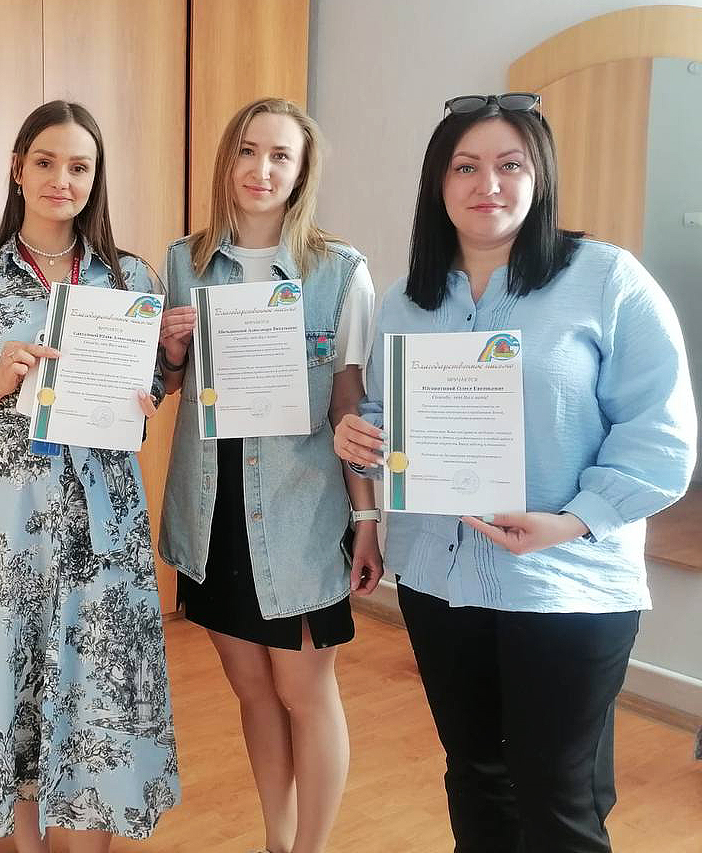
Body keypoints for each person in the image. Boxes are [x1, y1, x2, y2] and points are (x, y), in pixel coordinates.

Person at [334, 92, 697, 853]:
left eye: (510, 165)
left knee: (557, 797)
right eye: (465, 167)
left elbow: (660, 434)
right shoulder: (406, 300)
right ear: (439, 183)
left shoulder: (606, 279)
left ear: (540, 177)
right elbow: (386, 414)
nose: (487, 185)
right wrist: (360, 433)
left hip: (567, 584)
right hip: (439, 580)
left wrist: (570, 521)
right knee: (474, 775)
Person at [0, 100, 180, 852]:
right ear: (18, 169)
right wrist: (0, 379)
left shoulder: (131, 277)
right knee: (16, 684)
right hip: (4, 519)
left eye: (79, 167)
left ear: (95, 179)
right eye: (46, 162)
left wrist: (151, 387)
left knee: (98, 684)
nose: (62, 180)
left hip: (102, 515)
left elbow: (149, 390)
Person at [157, 97, 383, 853]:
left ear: (302, 169)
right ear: (228, 159)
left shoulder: (340, 271)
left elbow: (350, 405)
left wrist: (367, 520)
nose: (260, 169)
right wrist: (173, 351)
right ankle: (276, 842)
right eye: (247, 151)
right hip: (212, 511)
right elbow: (168, 385)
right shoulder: (184, 261)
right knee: (251, 689)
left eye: (280, 155)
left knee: (304, 690)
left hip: (298, 515)